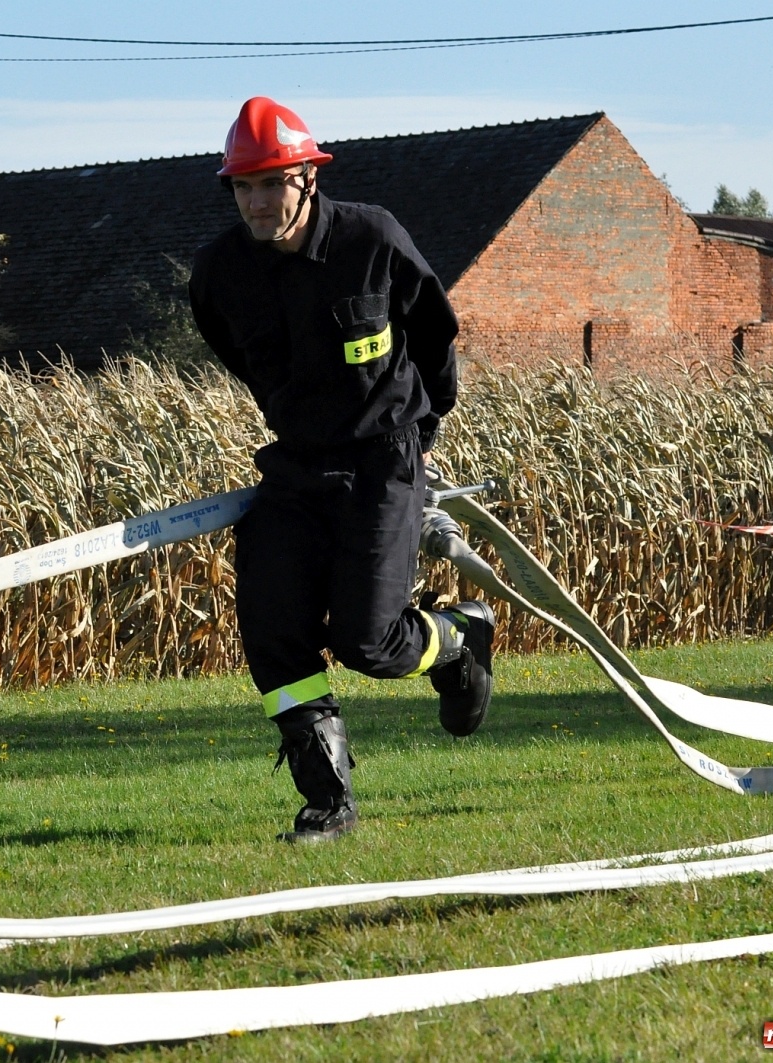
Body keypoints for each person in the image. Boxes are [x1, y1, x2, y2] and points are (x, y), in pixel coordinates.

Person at [188, 97, 497, 844]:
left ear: (307, 178)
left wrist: (419, 438)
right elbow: (241, 360)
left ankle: (459, 638)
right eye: (243, 187)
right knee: (272, 628)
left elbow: (435, 336)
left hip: (382, 460)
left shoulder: (371, 238)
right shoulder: (220, 274)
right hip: (296, 468)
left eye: (271, 184)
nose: (257, 202)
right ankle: (328, 803)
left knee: (370, 641)